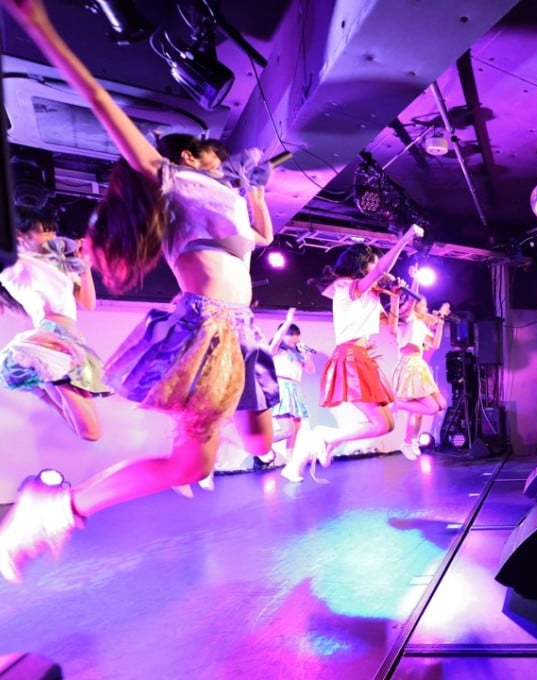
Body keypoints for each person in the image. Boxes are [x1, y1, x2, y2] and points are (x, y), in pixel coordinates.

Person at [0, 0, 280, 583]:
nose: (225, 164)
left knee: (258, 444)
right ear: (187, 156)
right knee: (189, 464)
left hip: (245, 333)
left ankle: (177, 450)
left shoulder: (228, 199)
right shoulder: (169, 180)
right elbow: (103, 105)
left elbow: (261, 236)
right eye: (217, 156)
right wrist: (40, 26)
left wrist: (254, 189)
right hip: (207, 328)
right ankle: (57, 510)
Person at [287, 224, 423, 478]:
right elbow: (383, 268)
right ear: (362, 265)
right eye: (372, 264)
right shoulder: (346, 287)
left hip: (361, 357)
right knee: (382, 423)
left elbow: (392, 329)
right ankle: (324, 438)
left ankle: (329, 439)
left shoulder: (369, 294)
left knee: (387, 424)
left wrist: (393, 296)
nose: (377, 270)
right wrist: (405, 239)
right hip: (350, 357)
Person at [0, 206, 111, 440]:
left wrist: (84, 265)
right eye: (46, 231)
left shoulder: (57, 266)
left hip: (71, 339)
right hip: (52, 340)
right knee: (92, 432)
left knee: (86, 431)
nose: (53, 236)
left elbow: (88, 302)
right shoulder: (17, 266)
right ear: (21, 237)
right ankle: (45, 381)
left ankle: (43, 388)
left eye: (53, 230)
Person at [388, 267, 450, 461]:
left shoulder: (422, 326)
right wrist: (416, 280)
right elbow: (412, 298)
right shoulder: (409, 319)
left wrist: (440, 322)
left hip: (419, 366)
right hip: (408, 365)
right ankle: (401, 412)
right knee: (429, 408)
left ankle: (411, 438)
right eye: (422, 304)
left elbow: (436, 344)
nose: (425, 307)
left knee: (441, 404)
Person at [268, 308, 316, 479]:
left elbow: (310, 370)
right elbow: (277, 339)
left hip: (295, 390)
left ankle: (290, 467)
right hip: (282, 388)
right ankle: (260, 446)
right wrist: (287, 321)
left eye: (297, 335)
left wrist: (306, 354)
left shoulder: (296, 353)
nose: (296, 338)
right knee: (287, 430)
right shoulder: (276, 349)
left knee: (294, 432)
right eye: (292, 334)